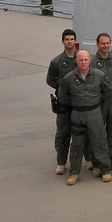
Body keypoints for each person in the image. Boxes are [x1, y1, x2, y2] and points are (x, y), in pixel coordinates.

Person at [58, 50, 112, 185]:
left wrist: (97, 103)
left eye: (86, 60)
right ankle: (74, 173)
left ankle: (105, 170)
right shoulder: (69, 78)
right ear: (76, 61)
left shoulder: (99, 75)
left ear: (90, 60)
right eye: (80, 60)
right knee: (77, 144)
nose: (83, 62)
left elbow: (109, 91)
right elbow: (63, 96)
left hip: (94, 112)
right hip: (77, 114)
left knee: (99, 141)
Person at [46, 29, 79, 175]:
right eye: (67, 39)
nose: (70, 42)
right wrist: (62, 89)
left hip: (80, 104)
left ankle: (87, 160)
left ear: (75, 41)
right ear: (62, 42)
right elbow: (50, 80)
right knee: (62, 134)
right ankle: (61, 163)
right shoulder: (56, 61)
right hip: (64, 106)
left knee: (82, 134)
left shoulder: (82, 58)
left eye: (72, 39)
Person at [91, 33, 112, 172]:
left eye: (107, 43)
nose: (105, 46)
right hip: (98, 99)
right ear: (97, 45)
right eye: (102, 43)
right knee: (98, 131)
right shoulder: (92, 61)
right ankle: (97, 162)